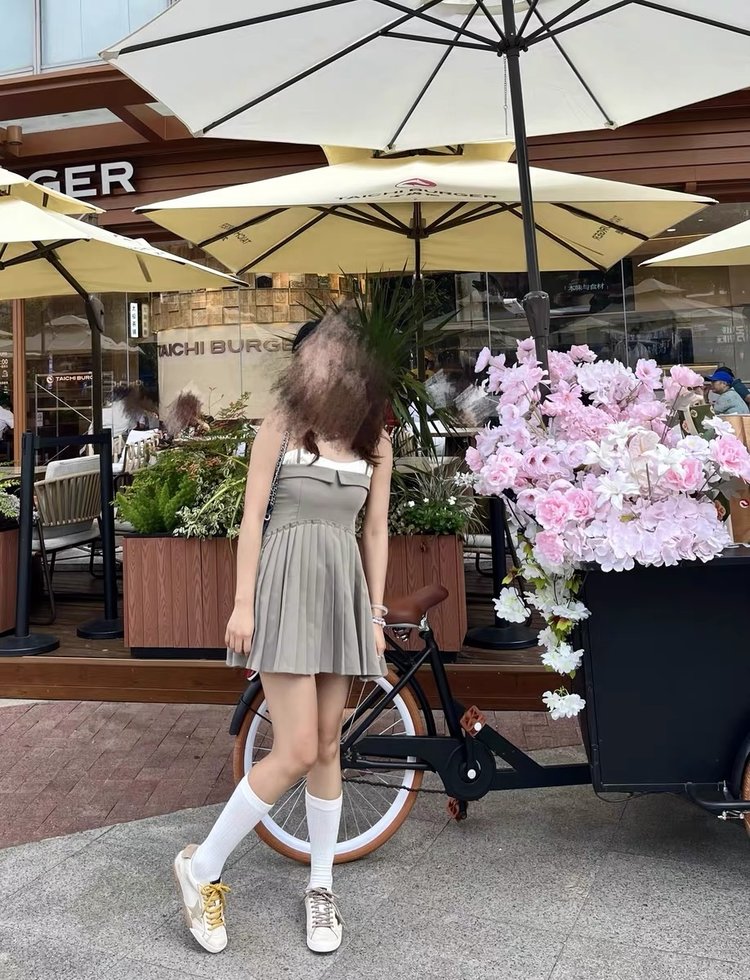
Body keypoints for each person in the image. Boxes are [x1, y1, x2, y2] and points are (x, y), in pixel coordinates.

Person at [173, 310, 392, 956]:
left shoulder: (376, 438)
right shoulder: (281, 424)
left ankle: (321, 888)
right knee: (294, 748)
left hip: (341, 594)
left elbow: (375, 530)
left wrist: (375, 615)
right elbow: (251, 518)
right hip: (285, 587)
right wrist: (243, 604)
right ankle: (202, 867)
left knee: (326, 746)